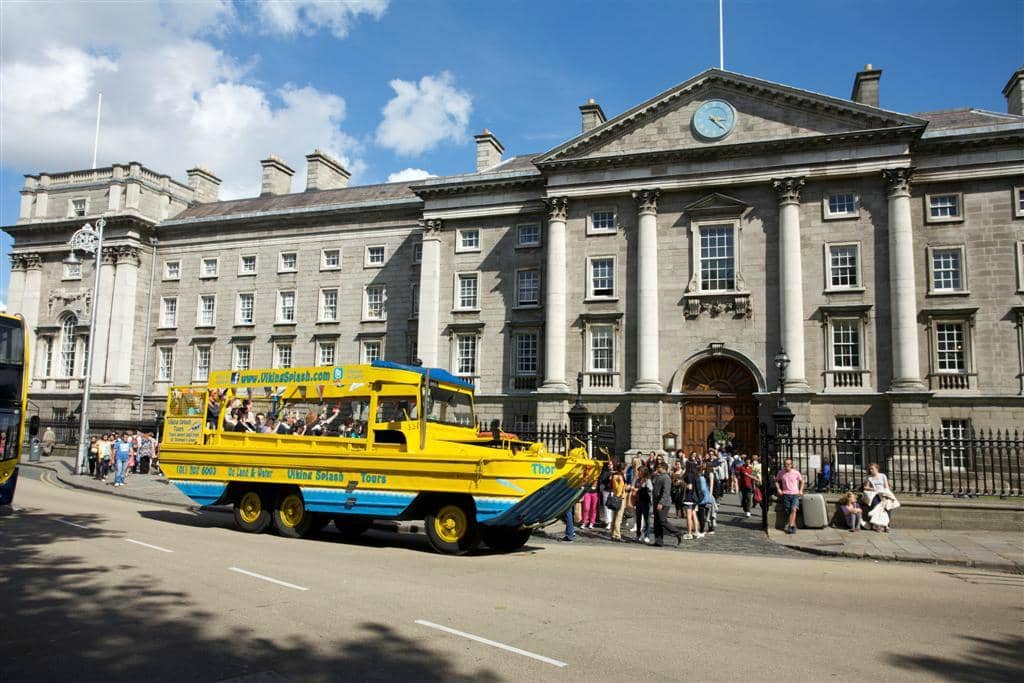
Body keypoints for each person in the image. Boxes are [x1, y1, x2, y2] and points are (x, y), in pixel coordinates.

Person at [651, 461, 683, 547]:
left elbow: (666, 492)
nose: (657, 468)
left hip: (664, 503)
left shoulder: (666, 478)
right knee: (656, 522)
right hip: (656, 502)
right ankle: (658, 541)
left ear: (663, 468)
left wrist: (661, 503)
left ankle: (678, 532)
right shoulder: (658, 476)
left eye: (659, 467)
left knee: (662, 521)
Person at [862, 463, 898, 532]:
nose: (871, 470)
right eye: (870, 469)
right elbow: (865, 487)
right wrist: (872, 489)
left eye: (872, 468)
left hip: (884, 493)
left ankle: (886, 525)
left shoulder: (882, 476)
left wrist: (885, 495)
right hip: (875, 495)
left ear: (877, 469)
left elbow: (886, 486)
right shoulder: (869, 477)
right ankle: (877, 526)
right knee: (876, 507)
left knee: (887, 508)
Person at [775, 458, 805, 534]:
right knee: (788, 511)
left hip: (795, 494)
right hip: (785, 494)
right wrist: (778, 489)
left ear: (791, 465)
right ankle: (793, 526)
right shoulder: (781, 472)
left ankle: (790, 526)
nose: (787, 465)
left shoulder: (796, 473)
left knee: (794, 509)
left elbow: (802, 481)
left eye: (788, 464)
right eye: (785, 464)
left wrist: (801, 490)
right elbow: (776, 481)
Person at [682, 461, 701, 540]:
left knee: (689, 517)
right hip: (694, 498)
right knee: (694, 515)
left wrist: (683, 484)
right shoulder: (696, 475)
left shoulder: (689, 475)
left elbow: (690, 487)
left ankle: (689, 533)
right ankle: (696, 532)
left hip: (689, 498)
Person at [633, 466, 653, 543]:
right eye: (638, 471)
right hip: (638, 501)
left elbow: (650, 489)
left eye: (640, 471)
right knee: (638, 519)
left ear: (644, 472)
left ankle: (647, 535)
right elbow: (635, 488)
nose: (639, 473)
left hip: (645, 501)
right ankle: (638, 535)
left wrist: (639, 489)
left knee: (646, 519)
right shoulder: (637, 480)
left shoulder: (647, 480)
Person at [608, 462, 627, 541]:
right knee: (618, 518)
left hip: (615, 497)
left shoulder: (614, 475)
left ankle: (613, 534)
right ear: (622, 469)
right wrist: (620, 496)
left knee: (614, 517)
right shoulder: (619, 477)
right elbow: (619, 488)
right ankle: (617, 535)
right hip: (619, 498)